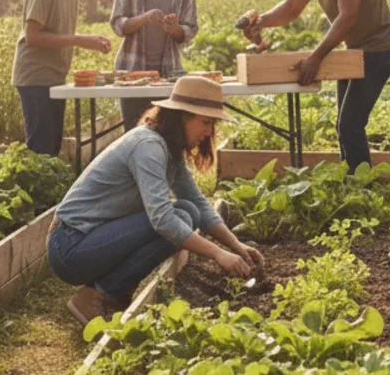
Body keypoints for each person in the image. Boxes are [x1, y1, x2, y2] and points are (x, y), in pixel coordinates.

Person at [48, 75, 264, 324]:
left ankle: (113, 293)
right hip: (71, 245)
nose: (209, 131)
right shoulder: (148, 146)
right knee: (174, 218)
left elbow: (198, 202)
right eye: (205, 122)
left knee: (188, 210)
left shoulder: (169, 147)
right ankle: (98, 296)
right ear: (183, 116)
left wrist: (237, 246)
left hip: (93, 238)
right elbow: (161, 219)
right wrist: (217, 254)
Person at [240, 0, 390, 172]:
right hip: (354, 49)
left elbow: (347, 16)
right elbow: (291, 8)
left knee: (350, 124)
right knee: (343, 124)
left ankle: (362, 190)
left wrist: (316, 57)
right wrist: (261, 22)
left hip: (379, 48)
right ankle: (352, 184)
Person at [12, 0, 113, 157]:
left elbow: (59, 30)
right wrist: (78, 40)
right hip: (35, 76)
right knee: (41, 150)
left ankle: (50, 194)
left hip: (55, 74)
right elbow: (33, 37)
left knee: (53, 148)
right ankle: (35, 194)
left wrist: (86, 39)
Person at [111, 0, 199, 129]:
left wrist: (174, 29)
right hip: (132, 72)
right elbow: (117, 24)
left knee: (167, 133)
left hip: (168, 73)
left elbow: (190, 29)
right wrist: (143, 18)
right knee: (133, 133)